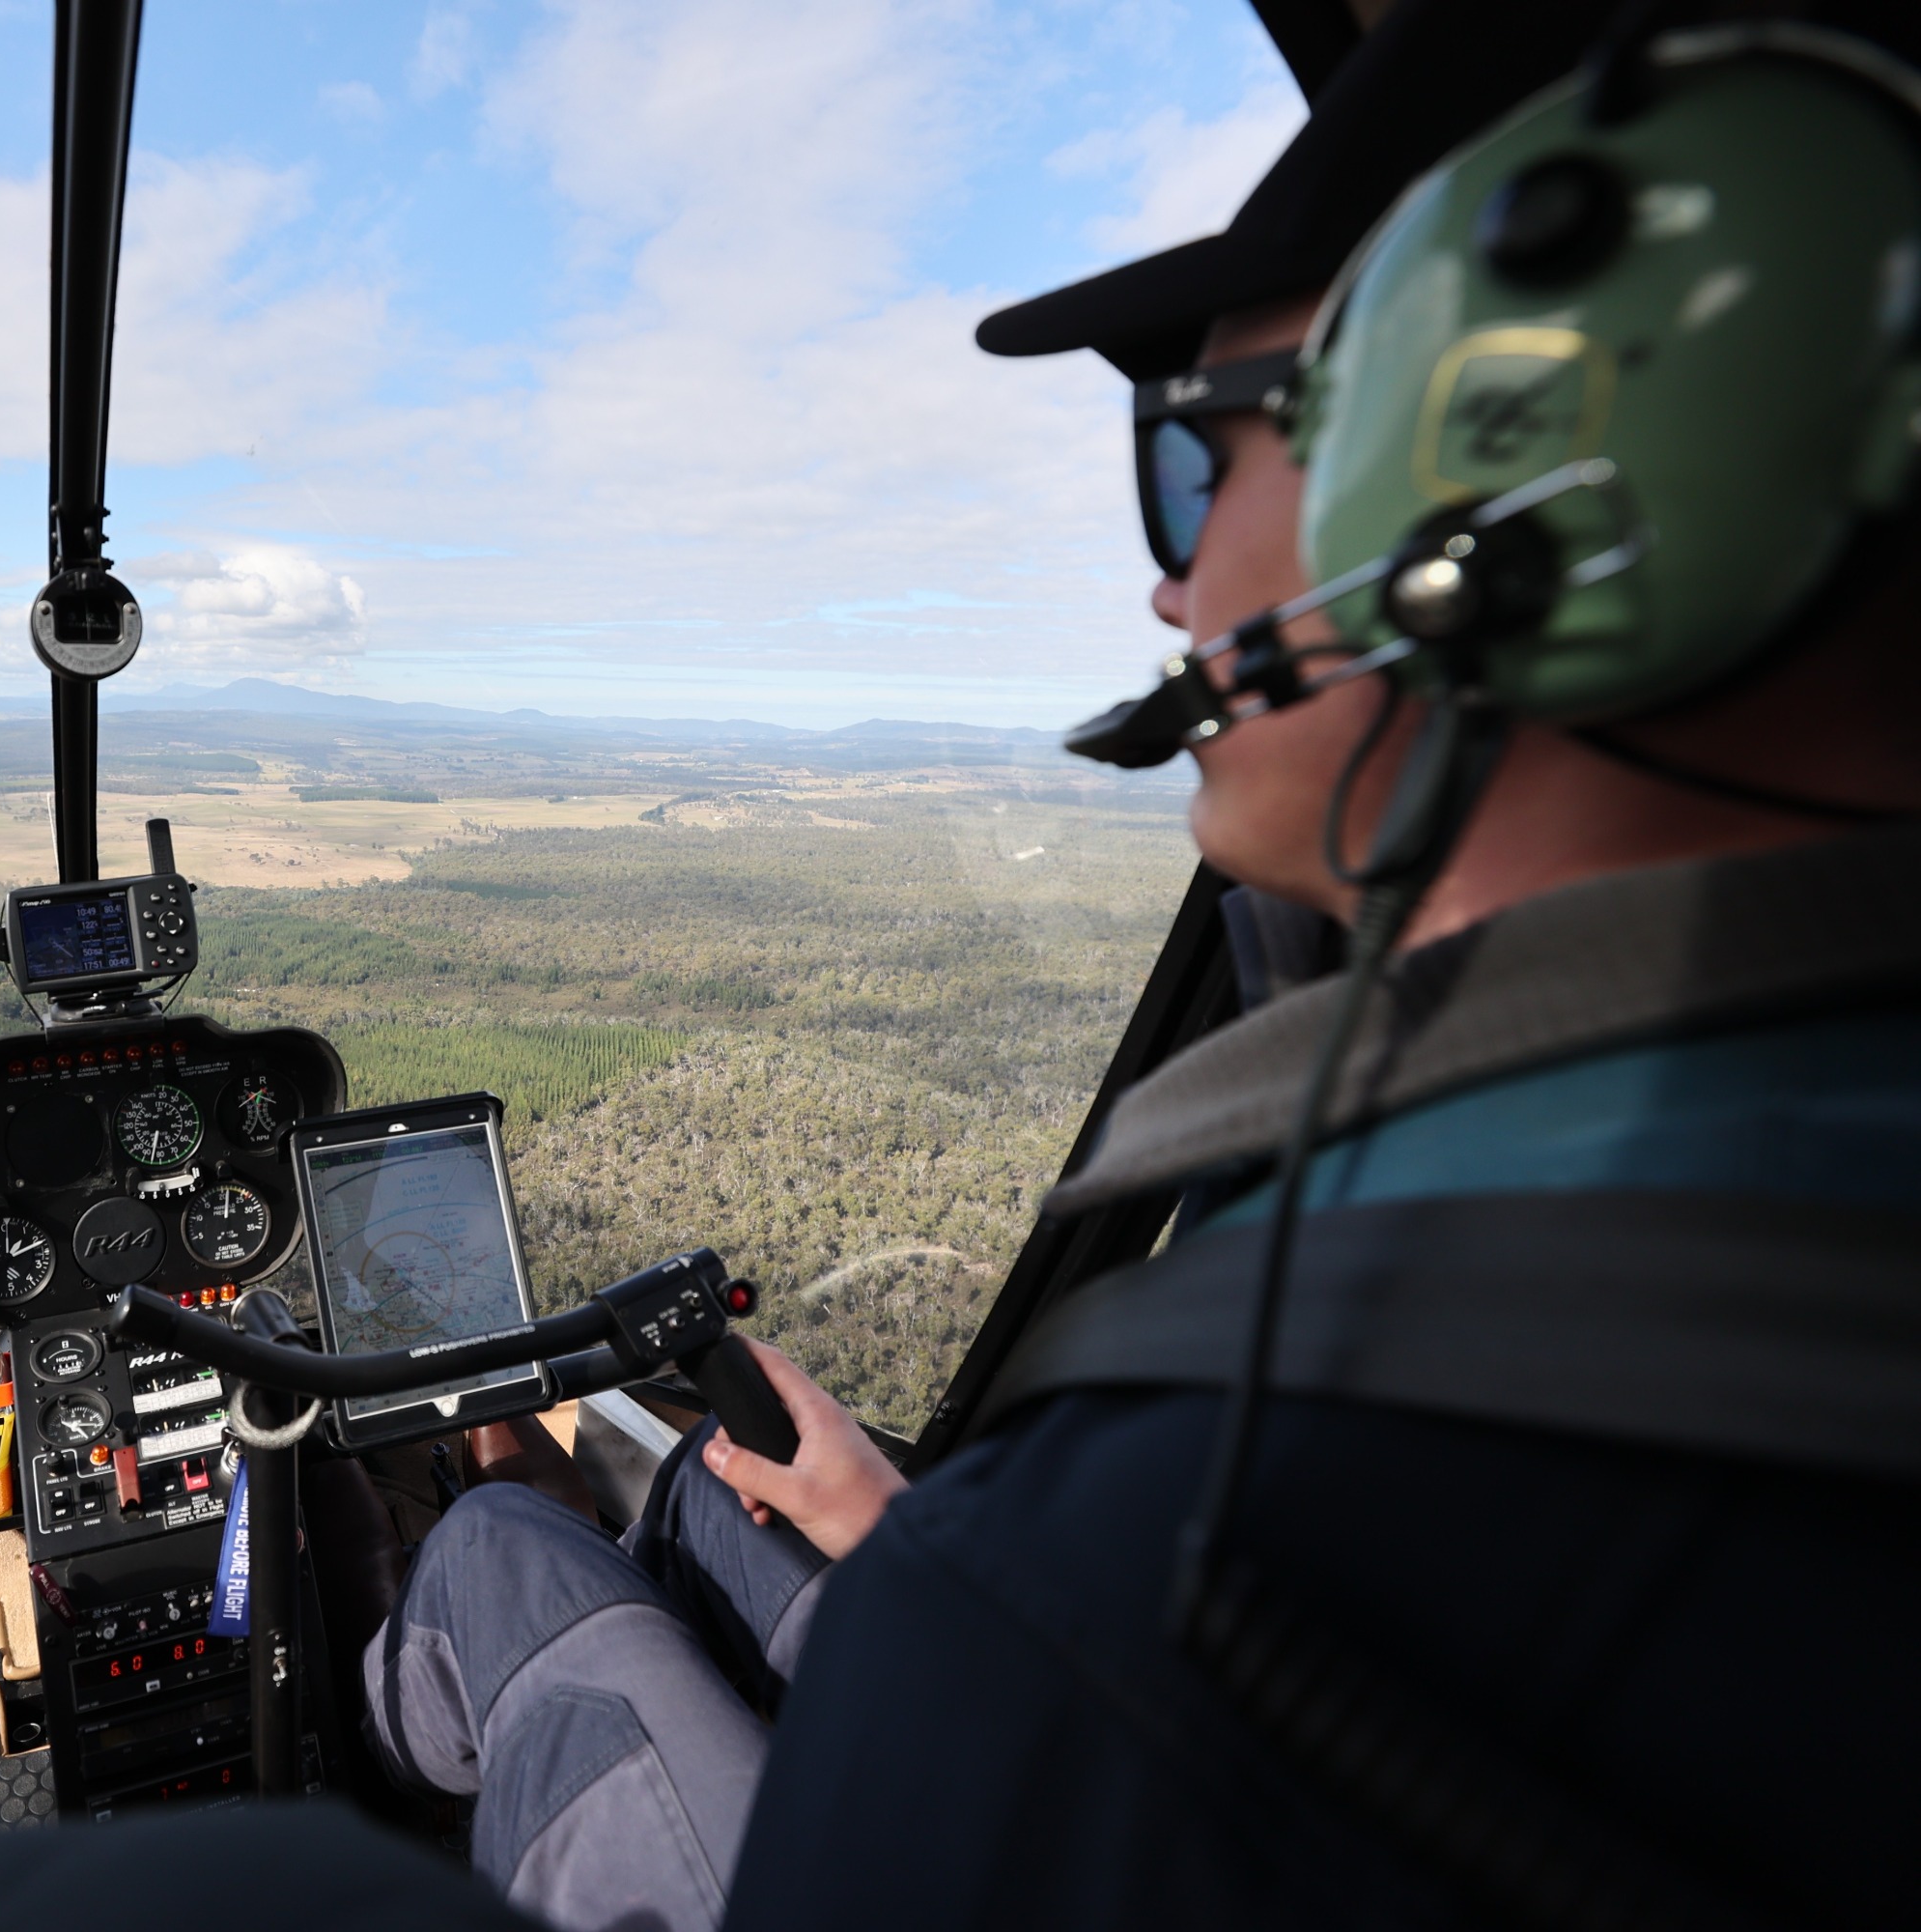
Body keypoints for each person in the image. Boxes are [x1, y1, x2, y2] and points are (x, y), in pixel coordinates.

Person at [374, 3, 1921, 1929]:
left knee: (509, 1554)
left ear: (1504, 485)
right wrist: (901, 1527)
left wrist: (979, 1583)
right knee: (696, 1493)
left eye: (1191, 467)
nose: (1170, 594)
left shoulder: (1137, 1575)